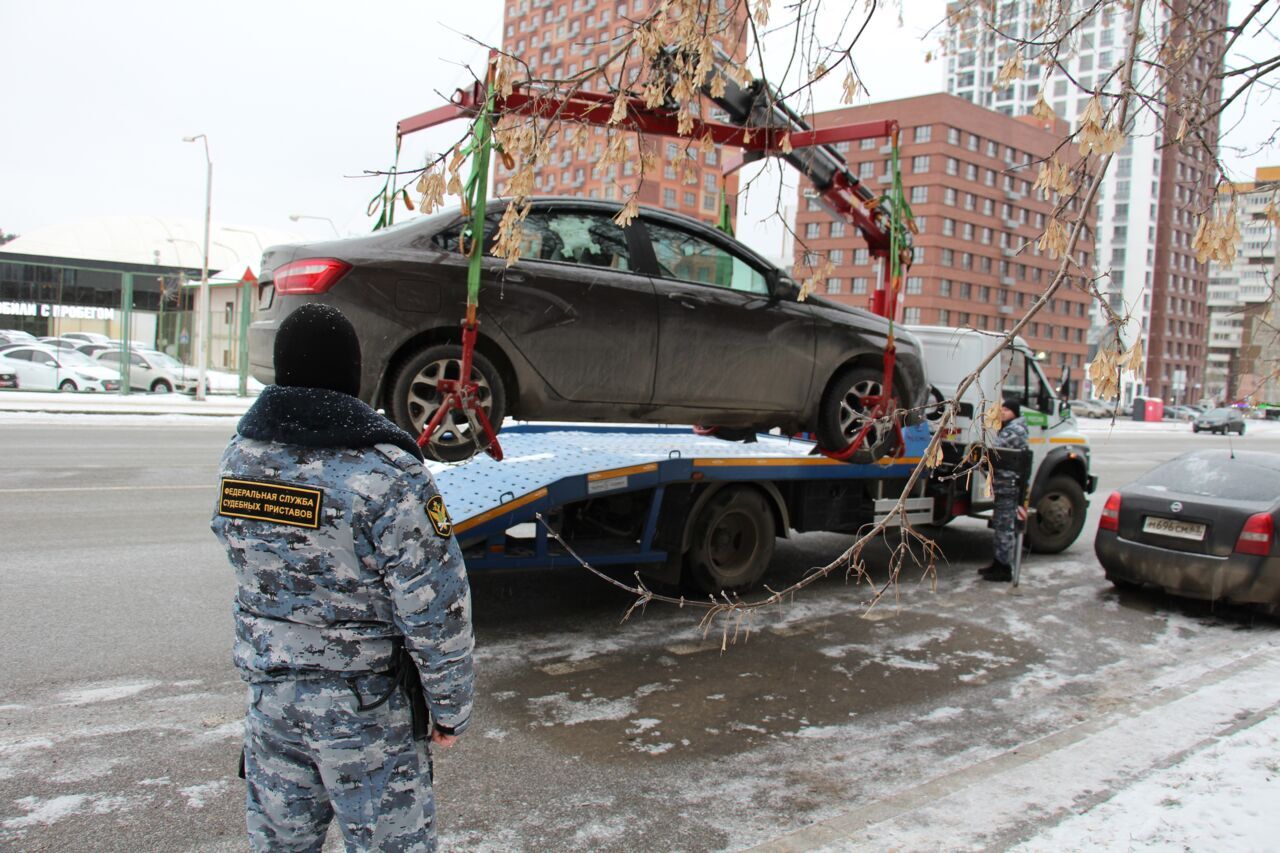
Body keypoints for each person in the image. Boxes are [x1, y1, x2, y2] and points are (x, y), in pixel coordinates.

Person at [211, 303, 475, 852]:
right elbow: (437, 605)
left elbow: (239, 553)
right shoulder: (390, 473)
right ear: (352, 375)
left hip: (271, 704)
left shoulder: (241, 458)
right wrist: (450, 708)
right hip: (367, 713)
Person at [981, 398, 1030, 583]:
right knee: (1000, 525)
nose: (1002, 412)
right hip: (1004, 484)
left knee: (1004, 527)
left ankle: (1003, 568)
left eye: (1007, 409)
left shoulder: (1014, 430)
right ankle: (998, 563)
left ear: (1015, 413)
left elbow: (997, 452)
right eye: (1002, 408)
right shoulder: (1009, 427)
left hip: (1009, 485)